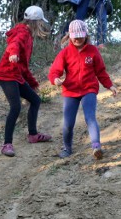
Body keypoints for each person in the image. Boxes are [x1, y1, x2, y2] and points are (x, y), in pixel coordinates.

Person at [49, 20, 117, 159]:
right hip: (70, 91)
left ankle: (96, 146)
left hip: (88, 90)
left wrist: (109, 85)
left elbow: (101, 72)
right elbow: (54, 71)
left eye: (80, 35)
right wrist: (55, 79)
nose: (77, 39)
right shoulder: (65, 53)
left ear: (86, 35)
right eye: (74, 36)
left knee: (90, 118)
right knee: (68, 123)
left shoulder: (93, 51)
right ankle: (67, 148)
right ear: (69, 36)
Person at [0, 5, 53, 157]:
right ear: (35, 22)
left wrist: (32, 83)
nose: (42, 25)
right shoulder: (22, 32)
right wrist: (13, 53)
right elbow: (13, 44)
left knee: (35, 100)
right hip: (6, 75)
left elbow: (24, 66)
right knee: (15, 107)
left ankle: (33, 135)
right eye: (40, 22)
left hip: (16, 75)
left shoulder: (28, 35)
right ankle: (6, 144)